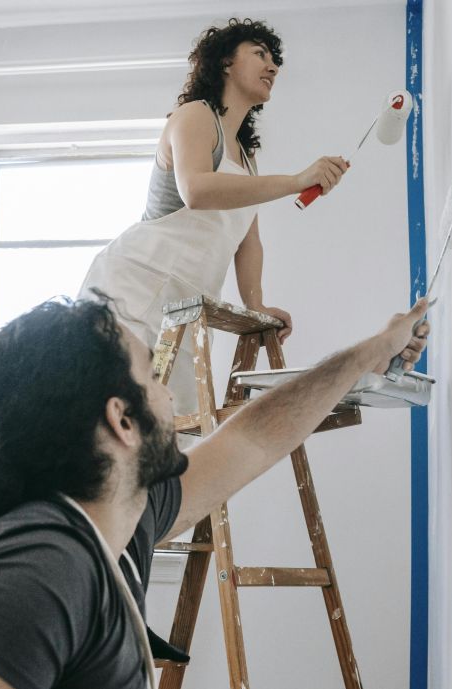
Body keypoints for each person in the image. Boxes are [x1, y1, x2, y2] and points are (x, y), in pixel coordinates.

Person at [0, 293, 429, 689]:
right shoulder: (38, 565)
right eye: (153, 377)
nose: (169, 395)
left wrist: (369, 354)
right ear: (122, 420)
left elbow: (255, 438)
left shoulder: (121, 517)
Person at [78, 18, 350, 412]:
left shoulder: (246, 156)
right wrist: (296, 180)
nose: (273, 67)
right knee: (116, 415)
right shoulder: (194, 116)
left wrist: (256, 304)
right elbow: (197, 191)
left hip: (187, 309)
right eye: (260, 54)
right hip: (137, 287)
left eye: (275, 60)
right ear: (225, 62)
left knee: (171, 430)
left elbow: (248, 241)